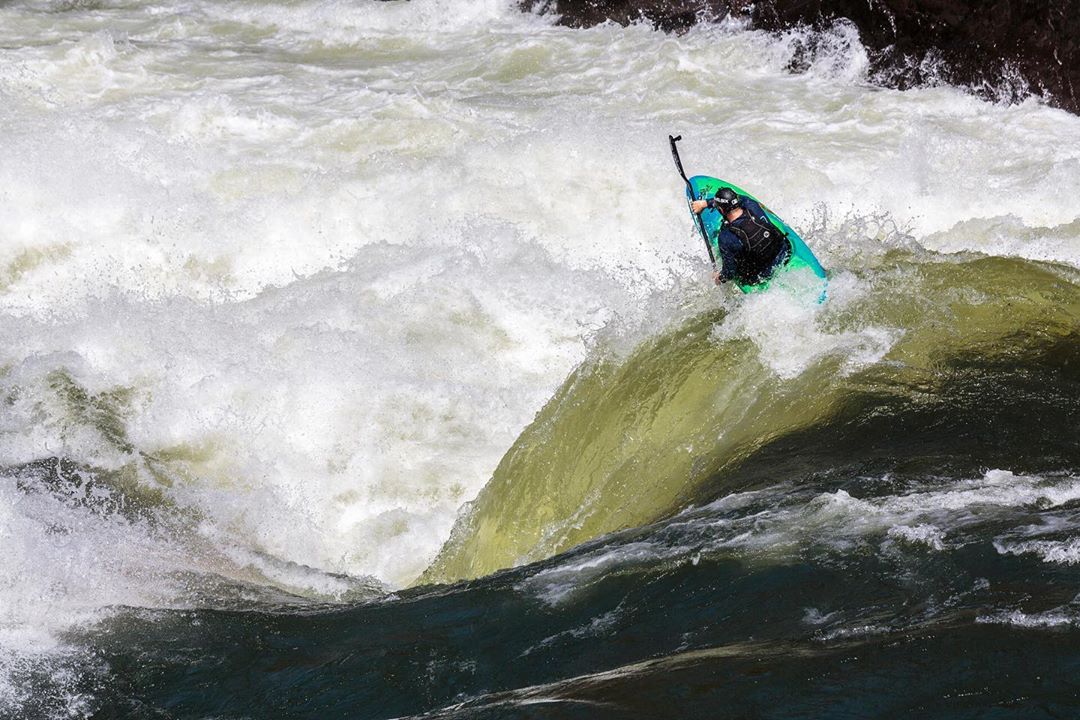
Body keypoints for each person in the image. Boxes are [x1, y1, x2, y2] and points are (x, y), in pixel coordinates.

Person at [690, 187, 790, 286]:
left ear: (720, 210)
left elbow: (729, 273)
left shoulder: (725, 237)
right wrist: (707, 203)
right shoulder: (751, 204)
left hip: (765, 274)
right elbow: (741, 198)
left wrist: (720, 277)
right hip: (784, 250)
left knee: (738, 264)